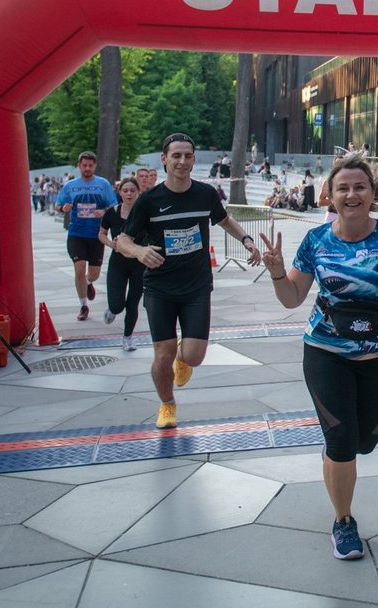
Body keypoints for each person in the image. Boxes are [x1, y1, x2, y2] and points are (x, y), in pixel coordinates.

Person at [258, 152, 378, 561]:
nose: (351, 194)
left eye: (359, 186)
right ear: (330, 195)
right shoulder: (316, 242)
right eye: (343, 187)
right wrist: (275, 271)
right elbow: (291, 298)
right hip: (325, 352)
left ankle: (335, 454)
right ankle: (344, 523)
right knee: (342, 442)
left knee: (365, 442)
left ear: (372, 193)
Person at [116, 133, 262, 430]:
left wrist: (246, 238)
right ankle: (167, 404)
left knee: (193, 357)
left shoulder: (205, 194)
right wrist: (140, 251)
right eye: (176, 156)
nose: (182, 161)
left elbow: (223, 219)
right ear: (164, 160)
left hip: (196, 286)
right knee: (162, 353)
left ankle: (184, 358)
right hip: (159, 287)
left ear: (194, 160)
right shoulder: (150, 200)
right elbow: (122, 240)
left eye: (188, 156)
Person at [55, 151, 119, 321]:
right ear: (79, 166)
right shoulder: (70, 186)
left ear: (95, 166)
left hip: (96, 235)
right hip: (76, 233)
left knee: (94, 274)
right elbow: (58, 205)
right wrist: (63, 209)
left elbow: (113, 205)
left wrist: (103, 212)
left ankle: (89, 283)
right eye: (84, 165)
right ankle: (83, 305)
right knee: (79, 269)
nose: (87, 168)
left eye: (90, 165)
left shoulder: (103, 184)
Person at [99, 176, 146, 351]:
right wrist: (110, 243)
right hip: (118, 262)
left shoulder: (144, 213)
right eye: (125, 191)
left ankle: (128, 337)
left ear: (138, 192)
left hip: (138, 263)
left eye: (132, 191)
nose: (129, 194)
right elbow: (102, 233)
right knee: (118, 304)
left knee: (133, 302)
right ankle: (112, 309)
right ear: (119, 193)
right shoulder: (112, 212)